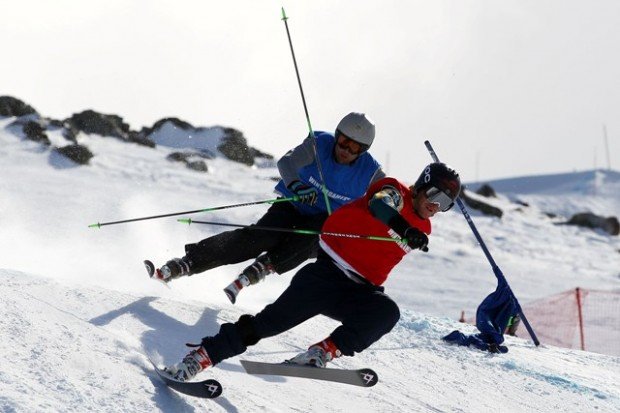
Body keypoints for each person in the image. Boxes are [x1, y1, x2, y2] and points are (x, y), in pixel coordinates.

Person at [164, 162, 462, 381]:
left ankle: (322, 351)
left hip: (359, 291)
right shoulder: (395, 191)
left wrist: (410, 230)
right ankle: (201, 357)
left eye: (447, 203)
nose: (438, 206)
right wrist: (403, 228)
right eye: (436, 195)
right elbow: (380, 206)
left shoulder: (424, 227)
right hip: (325, 276)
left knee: (386, 313)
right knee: (265, 325)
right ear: (422, 185)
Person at [151, 112, 385, 302]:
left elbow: (391, 194)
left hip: (323, 225)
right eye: (343, 141)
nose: (346, 150)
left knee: (316, 232)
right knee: (258, 239)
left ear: (363, 150)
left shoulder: (371, 171)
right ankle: (186, 263)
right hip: (292, 206)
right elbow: (287, 162)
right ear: (337, 135)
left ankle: (265, 266)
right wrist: (297, 186)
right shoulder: (320, 143)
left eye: (355, 148)